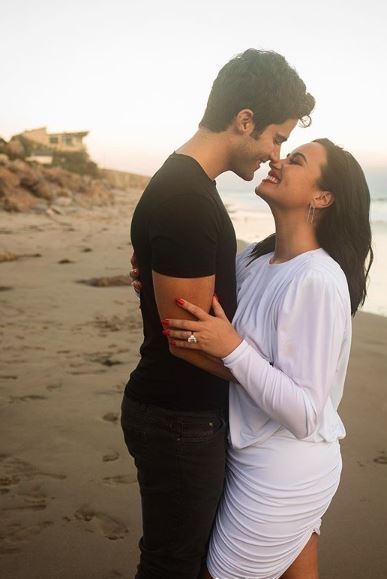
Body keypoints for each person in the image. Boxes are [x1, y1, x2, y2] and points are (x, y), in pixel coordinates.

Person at [122, 48, 315, 579]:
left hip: (180, 416)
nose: (275, 154)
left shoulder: (189, 188)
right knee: (173, 565)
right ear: (244, 120)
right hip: (178, 418)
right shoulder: (185, 198)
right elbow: (186, 339)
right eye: (277, 137)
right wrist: (273, 383)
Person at [161, 138, 374, 579]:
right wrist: (159, 282)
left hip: (284, 470)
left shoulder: (316, 279)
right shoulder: (256, 258)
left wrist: (233, 348)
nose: (277, 159)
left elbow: (305, 413)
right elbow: (202, 315)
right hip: (250, 451)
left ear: (323, 197)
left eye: (296, 160)